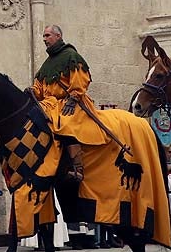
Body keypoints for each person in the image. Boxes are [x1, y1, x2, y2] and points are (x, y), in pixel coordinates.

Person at [32, 25, 113, 182]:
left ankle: (77, 167)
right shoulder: (47, 63)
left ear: (58, 36)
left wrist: (73, 97)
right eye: (44, 36)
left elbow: (81, 79)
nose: (44, 39)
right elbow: (40, 87)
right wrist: (33, 91)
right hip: (50, 103)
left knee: (66, 124)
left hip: (71, 101)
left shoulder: (71, 55)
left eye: (48, 35)